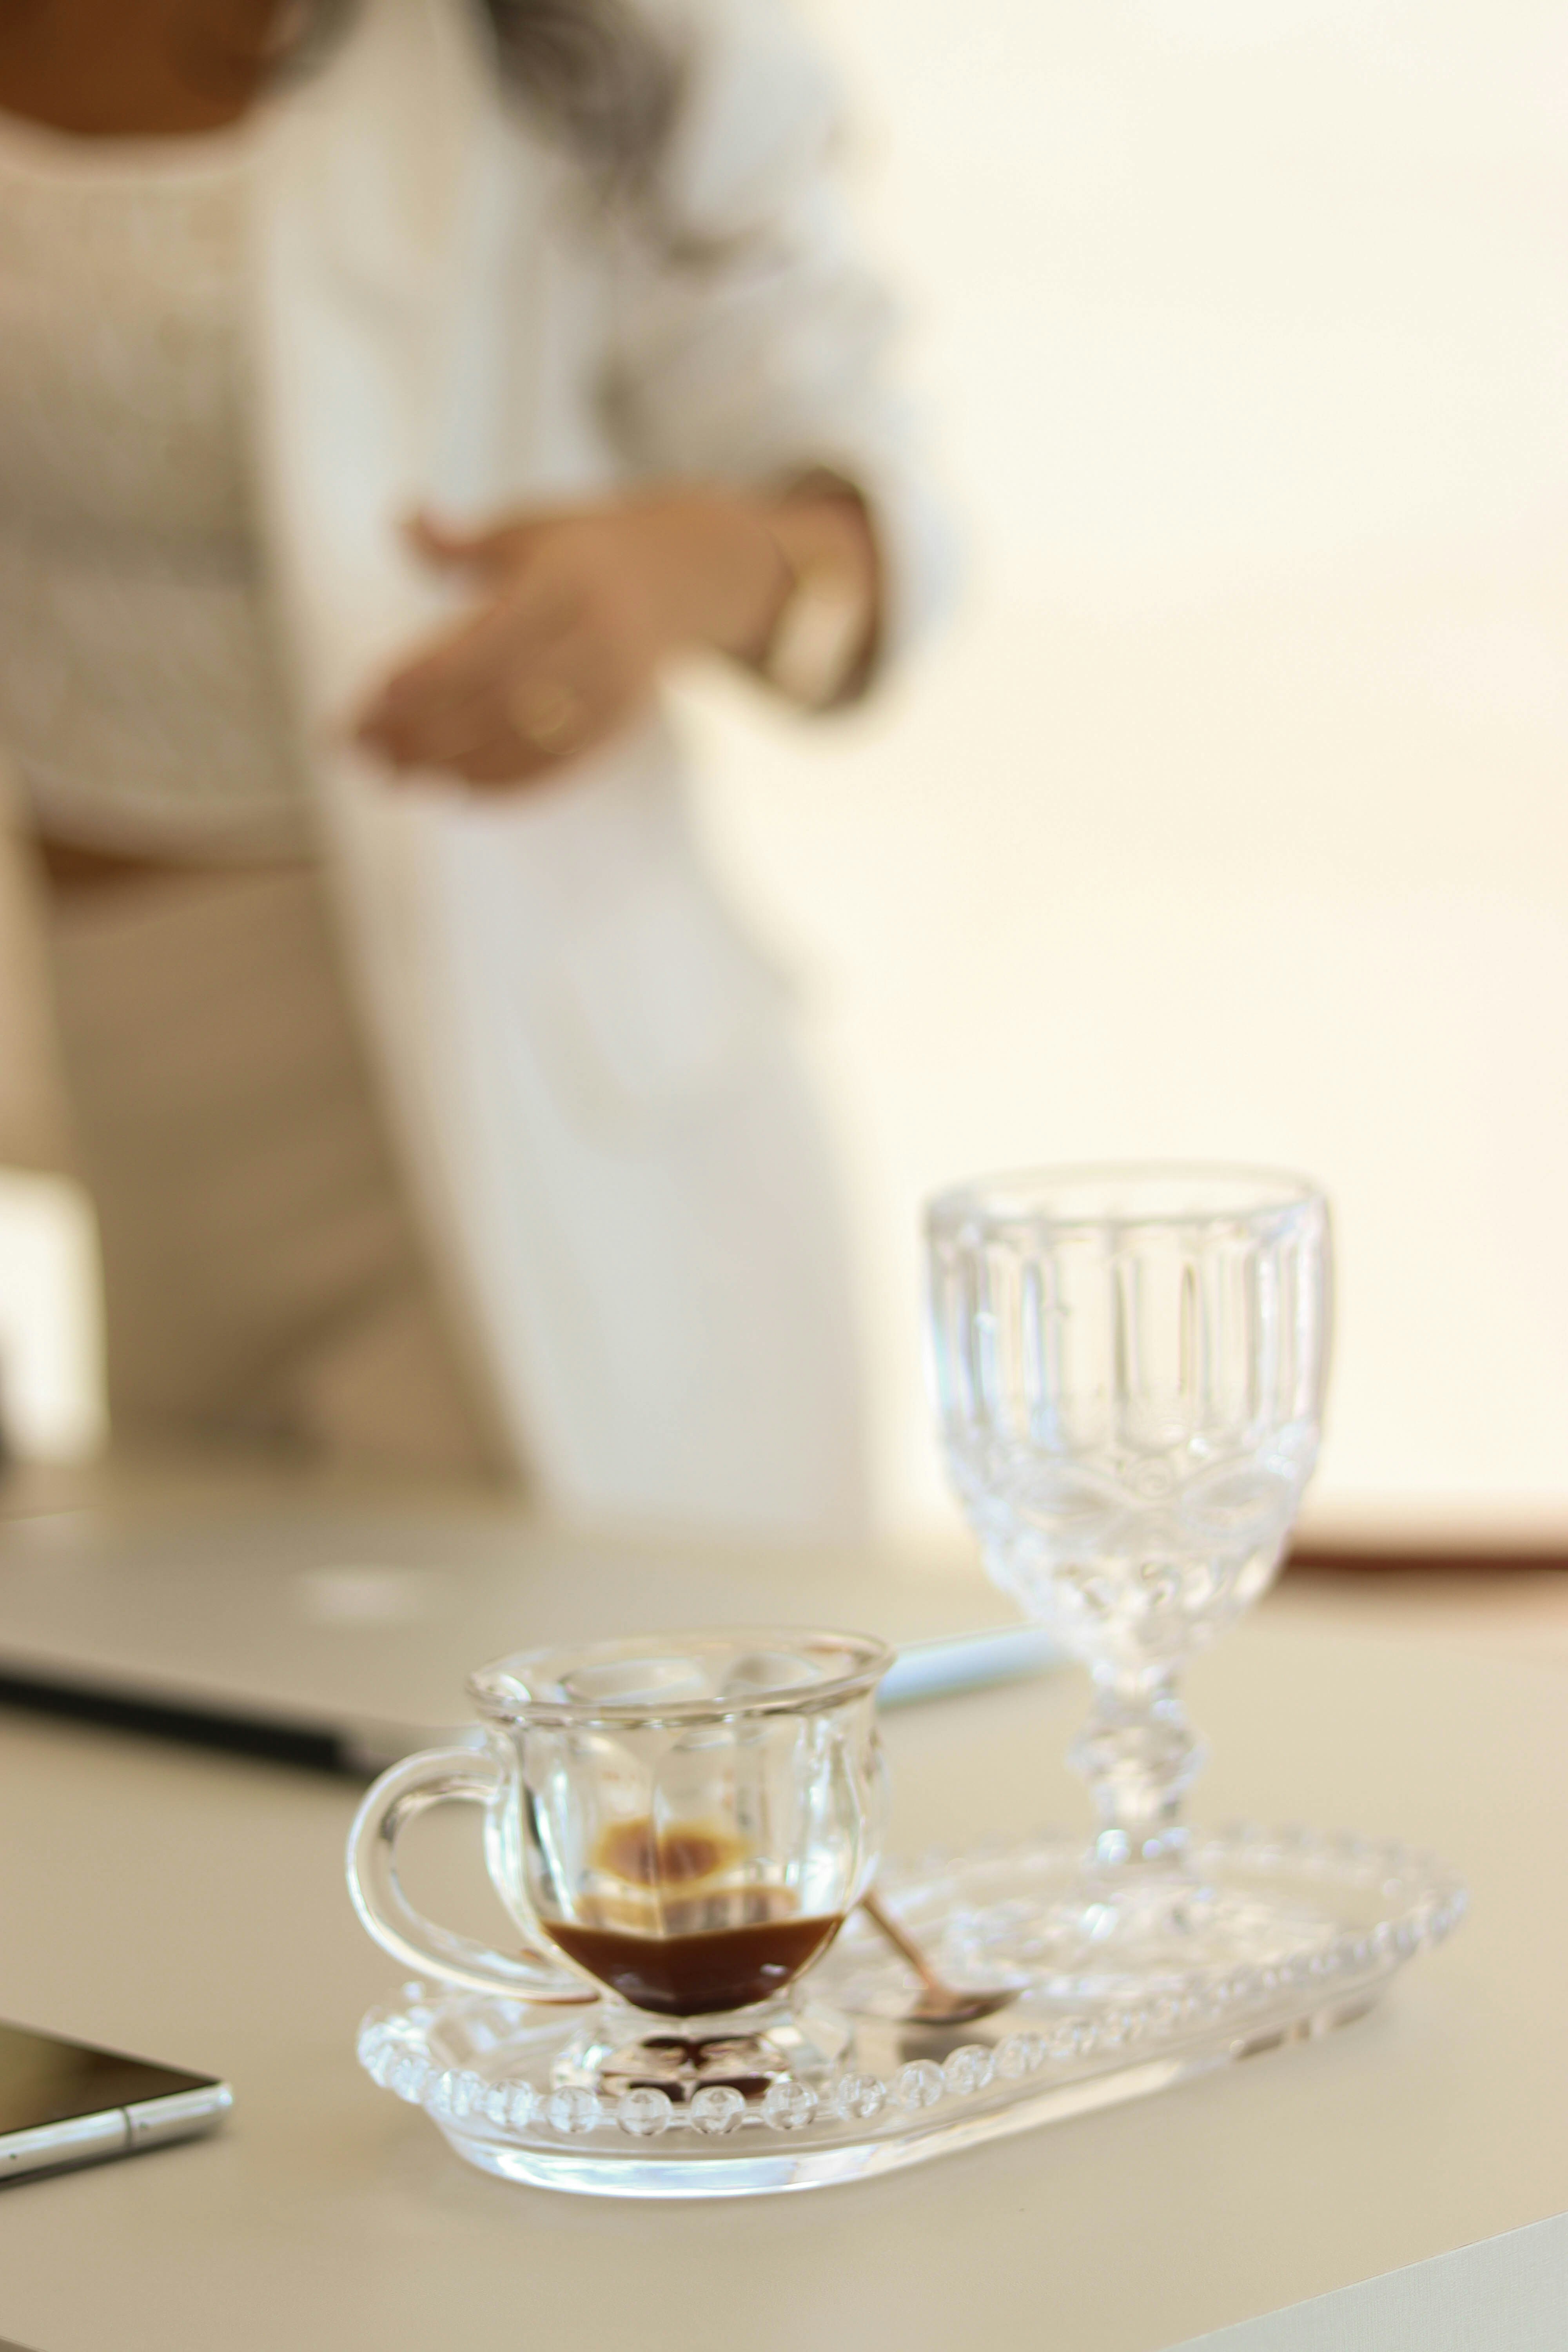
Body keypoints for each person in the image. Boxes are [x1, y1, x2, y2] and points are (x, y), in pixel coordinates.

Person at [0, 0, 945, 1535]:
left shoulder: (601, 41)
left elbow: (880, 515)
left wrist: (692, 569)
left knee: (580, 1687)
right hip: (128, 1142)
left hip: (537, 1136)